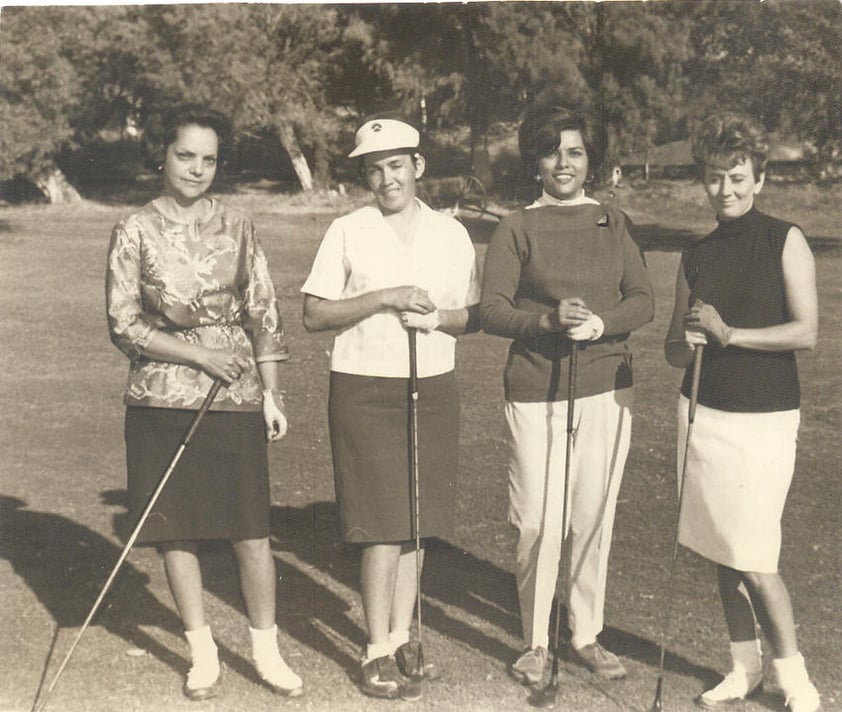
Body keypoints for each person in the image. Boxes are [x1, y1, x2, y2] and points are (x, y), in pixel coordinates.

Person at [106, 104, 303, 701]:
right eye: (185, 155)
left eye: (209, 159)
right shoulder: (133, 229)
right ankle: (202, 652)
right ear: (162, 156)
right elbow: (123, 324)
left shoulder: (240, 225)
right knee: (177, 531)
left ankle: (266, 653)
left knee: (250, 530)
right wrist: (198, 357)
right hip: (159, 399)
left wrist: (272, 394)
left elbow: (263, 313)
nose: (196, 169)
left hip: (236, 395)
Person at [301, 116, 480, 700]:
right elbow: (314, 314)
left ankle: (403, 635)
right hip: (364, 386)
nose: (386, 178)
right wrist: (384, 297)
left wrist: (435, 316)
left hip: (433, 384)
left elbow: (470, 313)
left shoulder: (452, 234)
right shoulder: (348, 230)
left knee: (418, 524)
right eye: (374, 169)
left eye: (396, 165)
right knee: (380, 524)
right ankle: (375, 647)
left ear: (417, 167)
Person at [480, 104, 654, 686]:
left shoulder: (613, 220)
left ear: (590, 160)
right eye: (552, 150)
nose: (563, 162)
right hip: (536, 388)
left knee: (591, 518)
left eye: (575, 151)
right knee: (536, 519)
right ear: (536, 159)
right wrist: (548, 323)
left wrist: (602, 324)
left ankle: (585, 634)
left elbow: (642, 300)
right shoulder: (516, 226)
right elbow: (493, 311)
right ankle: (534, 641)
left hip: (606, 385)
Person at [664, 113, 820, 712]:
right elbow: (674, 351)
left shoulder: (786, 238)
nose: (724, 189)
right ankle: (743, 666)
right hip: (702, 415)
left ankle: (795, 677)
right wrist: (692, 339)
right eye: (713, 178)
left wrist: (729, 334)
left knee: (754, 553)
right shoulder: (694, 252)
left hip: (764, 420)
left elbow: (806, 333)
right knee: (719, 548)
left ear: (759, 178)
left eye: (736, 176)